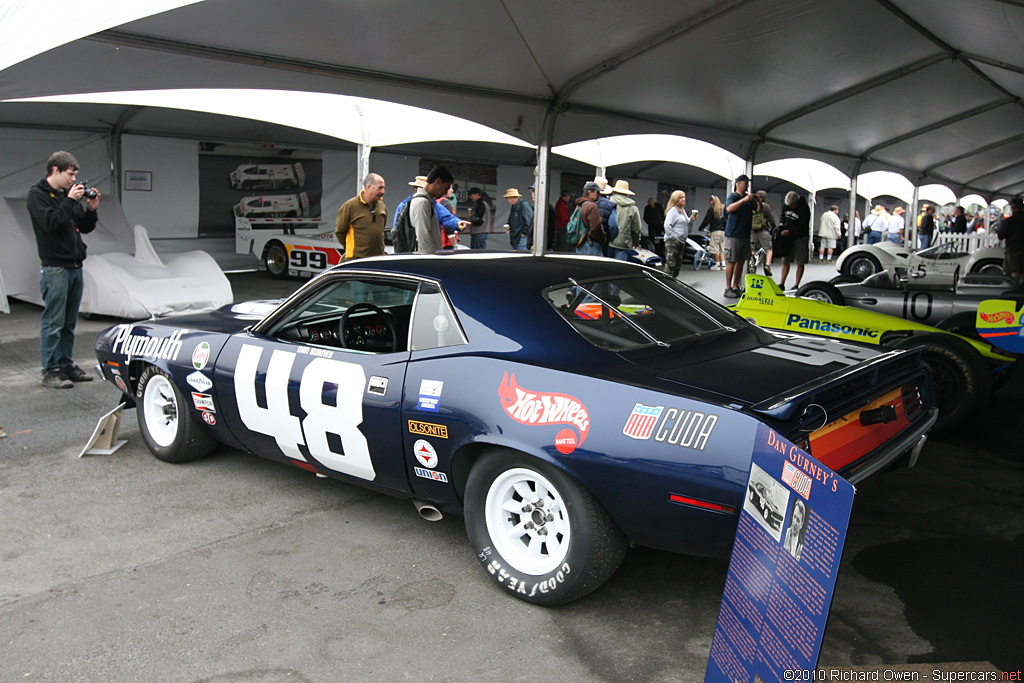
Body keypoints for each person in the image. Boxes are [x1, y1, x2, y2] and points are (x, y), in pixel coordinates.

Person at [27, 150, 100, 389]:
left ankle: (66, 364)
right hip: (55, 268)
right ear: (55, 170)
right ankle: (50, 370)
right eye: (69, 174)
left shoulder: (65, 196)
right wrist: (69, 200)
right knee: (53, 322)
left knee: (69, 322)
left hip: (75, 266)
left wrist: (90, 208)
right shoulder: (37, 195)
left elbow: (85, 227)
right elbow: (50, 224)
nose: (72, 180)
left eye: (75, 175)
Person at [336, 172, 387, 261]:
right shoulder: (350, 206)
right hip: (356, 260)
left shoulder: (382, 206)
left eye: (383, 188)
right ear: (368, 187)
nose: (383, 192)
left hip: (378, 259)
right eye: (380, 188)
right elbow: (340, 232)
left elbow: (381, 229)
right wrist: (352, 250)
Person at [724, 174, 757, 298]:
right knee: (731, 261)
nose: (747, 185)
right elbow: (729, 209)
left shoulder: (749, 199)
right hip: (733, 234)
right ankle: (728, 288)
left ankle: (735, 286)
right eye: (745, 182)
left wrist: (758, 200)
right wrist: (744, 200)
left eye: (748, 183)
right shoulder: (733, 196)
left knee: (741, 262)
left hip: (745, 235)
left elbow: (758, 210)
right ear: (738, 183)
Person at [411, 166, 454, 254]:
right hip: (426, 258)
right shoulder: (422, 203)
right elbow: (424, 238)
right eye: (446, 188)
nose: (445, 193)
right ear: (438, 181)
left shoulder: (428, 202)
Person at [776, 191, 811, 290]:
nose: (790, 206)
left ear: (796, 202)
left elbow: (804, 226)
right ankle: (781, 283)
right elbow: (782, 216)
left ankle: (796, 285)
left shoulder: (804, 208)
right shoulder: (786, 206)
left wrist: (790, 231)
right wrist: (782, 224)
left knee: (800, 261)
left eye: (792, 204)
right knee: (785, 260)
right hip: (788, 238)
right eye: (789, 205)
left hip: (801, 237)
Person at [607, 180, 643, 261]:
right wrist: (636, 241)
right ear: (627, 193)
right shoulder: (633, 207)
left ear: (615, 191)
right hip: (623, 242)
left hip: (608, 240)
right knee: (619, 268)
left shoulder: (608, 202)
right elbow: (636, 228)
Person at [663, 190, 692, 280]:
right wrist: (673, 237)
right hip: (674, 241)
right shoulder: (673, 211)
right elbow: (667, 225)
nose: (683, 199)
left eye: (684, 197)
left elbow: (685, 222)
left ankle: (673, 282)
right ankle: (667, 283)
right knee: (671, 265)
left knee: (677, 265)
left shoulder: (681, 210)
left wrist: (691, 218)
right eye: (681, 197)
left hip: (681, 241)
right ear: (675, 199)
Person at [574, 181, 606, 256]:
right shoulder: (592, 206)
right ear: (590, 192)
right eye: (597, 192)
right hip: (591, 244)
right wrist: (602, 238)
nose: (599, 194)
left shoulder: (579, 205)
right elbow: (596, 227)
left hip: (580, 243)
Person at [997, 197, 1024, 284]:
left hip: (1012, 249)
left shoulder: (1008, 221)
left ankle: (1014, 290)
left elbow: (1001, 236)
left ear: (1012, 208)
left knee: (1014, 272)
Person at [697, 195, 727, 270]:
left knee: (715, 248)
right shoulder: (723, 209)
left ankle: (717, 264)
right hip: (724, 232)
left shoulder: (712, 209)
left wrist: (701, 228)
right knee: (722, 248)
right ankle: (723, 265)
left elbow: (706, 220)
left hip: (715, 231)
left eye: (710, 201)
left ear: (712, 201)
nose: (709, 203)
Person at [752, 190, 777, 276]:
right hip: (763, 231)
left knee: (753, 249)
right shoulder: (765, 206)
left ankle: (752, 263)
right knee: (769, 249)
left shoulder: (751, 205)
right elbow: (771, 219)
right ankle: (767, 265)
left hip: (752, 231)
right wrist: (774, 227)